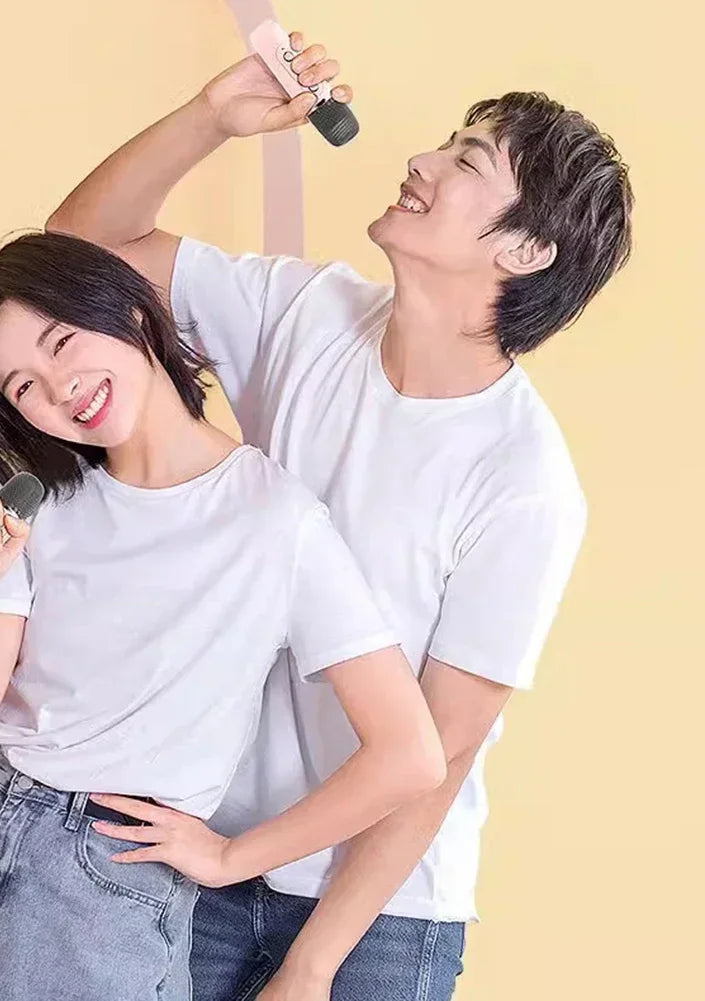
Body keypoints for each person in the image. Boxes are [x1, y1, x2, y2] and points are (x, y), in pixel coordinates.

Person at [45, 26, 633, 1001]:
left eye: (466, 162)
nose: (421, 160)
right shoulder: (305, 313)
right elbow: (74, 255)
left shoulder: (520, 478)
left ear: (526, 249)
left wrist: (313, 959)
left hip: (375, 914)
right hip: (198, 858)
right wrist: (211, 117)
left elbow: (439, 750)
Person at [0, 231, 446, 1001]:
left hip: (98, 890)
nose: (59, 388)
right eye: (23, 386)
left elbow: (409, 753)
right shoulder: (34, 496)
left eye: (61, 342)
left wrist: (229, 857)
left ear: (130, 312)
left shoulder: (275, 521)